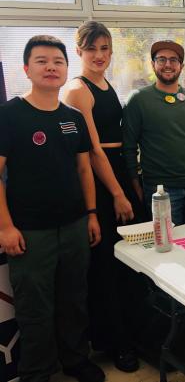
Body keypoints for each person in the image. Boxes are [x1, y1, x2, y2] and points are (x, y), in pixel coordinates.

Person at [0, 35, 104, 382]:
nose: (51, 67)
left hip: (74, 225)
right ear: (26, 69)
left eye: (58, 61)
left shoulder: (72, 117)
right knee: (35, 309)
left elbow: (84, 169)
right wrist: (5, 228)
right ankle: (37, 373)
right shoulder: (9, 116)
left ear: (66, 68)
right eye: (42, 61)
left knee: (74, 300)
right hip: (30, 232)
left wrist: (91, 214)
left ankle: (76, 360)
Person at [63, 21, 141, 372]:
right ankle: (116, 343)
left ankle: (136, 331)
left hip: (120, 170)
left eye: (105, 48)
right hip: (101, 177)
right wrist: (117, 193)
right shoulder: (77, 90)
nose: (99, 55)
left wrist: (131, 182)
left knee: (130, 261)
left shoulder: (106, 84)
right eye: (92, 48)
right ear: (78, 51)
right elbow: (93, 151)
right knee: (107, 266)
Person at [123, 40, 185, 225]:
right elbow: (129, 148)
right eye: (161, 59)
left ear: (181, 66)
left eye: (173, 60)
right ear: (153, 65)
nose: (168, 64)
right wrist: (137, 187)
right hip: (161, 191)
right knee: (168, 245)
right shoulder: (138, 99)